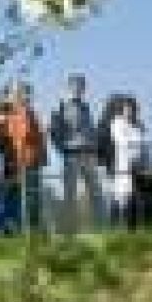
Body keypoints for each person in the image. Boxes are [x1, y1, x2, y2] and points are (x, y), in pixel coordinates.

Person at [49, 74, 102, 233]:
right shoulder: (61, 106)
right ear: (70, 87)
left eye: (82, 86)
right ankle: (70, 231)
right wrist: (63, 149)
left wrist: (95, 148)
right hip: (71, 154)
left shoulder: (86, 107)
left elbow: (90, 130)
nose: (80, 89)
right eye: (77, 86)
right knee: (70, 194)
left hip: (89, 153)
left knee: (96, 192)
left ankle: (101, 228)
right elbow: (54, 131)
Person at [1, 82, 45, 232]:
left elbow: (37, 136)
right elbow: (22, 134)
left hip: (33, 159)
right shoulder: (17, 113)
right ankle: (27, 230)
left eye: (29, 93)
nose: (28, 96)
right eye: (25, 93)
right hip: (24, 159)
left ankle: (33, 229)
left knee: (33, 197)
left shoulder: (29, 112)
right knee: (27, 198)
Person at [110, 97, 152, 230]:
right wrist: (137, 144)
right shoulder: (117, 124)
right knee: (129, 198)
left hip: (143, 165)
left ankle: (150, 228)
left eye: (133, 109)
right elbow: (122, 142)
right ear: (122, 110)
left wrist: (148, 162)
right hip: (127, 165)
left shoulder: (140, 125)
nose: (130, 111)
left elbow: (147, 144)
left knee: (147, 197)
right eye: (127, 109)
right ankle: (131, 231)